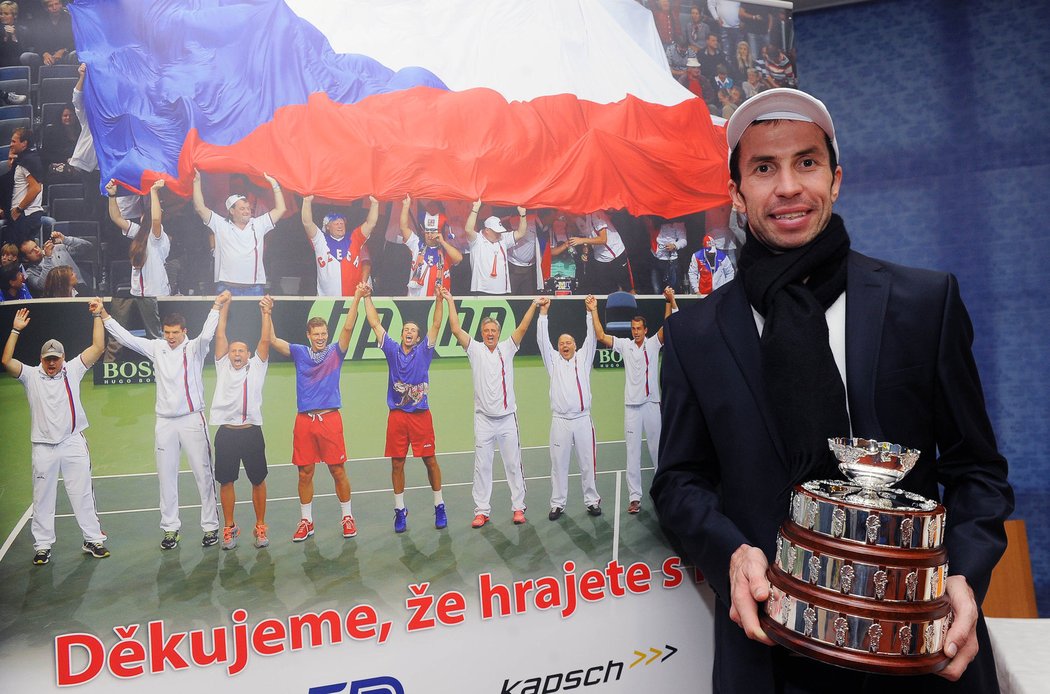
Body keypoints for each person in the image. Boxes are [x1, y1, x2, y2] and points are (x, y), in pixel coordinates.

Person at [650, 88, 1013, 692]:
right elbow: (679, 480)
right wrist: (731, 554)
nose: (788, 186)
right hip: (769, 649)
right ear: (736, 194)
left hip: (920, 641)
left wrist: (964, 577)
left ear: (836, 179)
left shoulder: (924, 304)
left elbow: (977, 469)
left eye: (806, 163)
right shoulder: (695, 334)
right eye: (763, 169)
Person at [100, 291, 231, 549]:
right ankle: (170, 529)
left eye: (175, 332)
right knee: (166, 476)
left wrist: (216, 305)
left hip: (192, 420)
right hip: (164, 423)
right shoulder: (156, 347)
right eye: (167, 332)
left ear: (184, 331)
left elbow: (207, 334)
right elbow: (125, 338)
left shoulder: (195, 348)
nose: (171, 337)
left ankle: (210, 527)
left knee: (203, 475)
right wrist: (104, 315)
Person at [3, 304, 109, 565]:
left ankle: (92, 539)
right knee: (43, 497)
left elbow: (97, 347)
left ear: (62, 358)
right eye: (48, 359)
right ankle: (42, 546)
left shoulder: (73, 369)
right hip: (43, 448)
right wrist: (16, 330)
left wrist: (97, 315)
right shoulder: (30, 376)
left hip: (72, 442)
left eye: (56, 359)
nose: (52, 363)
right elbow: (6, 361)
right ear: (42, 359)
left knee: (82, 493)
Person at [269, 287, 365, 542]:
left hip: (330, 420)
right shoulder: (300, 352)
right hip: (304, 422)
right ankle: (306, 521)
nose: (320, 338)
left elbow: (348, 328)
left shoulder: (336, 352)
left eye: (323, 334)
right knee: (304, 473)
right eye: (316, 334)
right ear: (308, 335)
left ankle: (347, 517)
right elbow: (272, 340)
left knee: (338, 471)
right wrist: (266, 313)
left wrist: (356, 297)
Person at [443, 287, 540, 527]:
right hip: (483, 420)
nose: (489, 334)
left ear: (499, 333)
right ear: (482, 333)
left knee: (512, 465)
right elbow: (455, 329)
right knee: (482, 466)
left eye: (493, 330)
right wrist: (450, 300)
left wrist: (534, 304)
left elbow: (523, 328)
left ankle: (518, 508)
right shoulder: (474, 350)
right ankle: (482, 511)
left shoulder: (508, 347)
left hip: (507, 420)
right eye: (486, 331)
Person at [363, 284, 447, 533]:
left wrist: (439, 300)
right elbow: (375, 323)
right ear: (402, 335)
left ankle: (439, 505)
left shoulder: (424, 351)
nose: (409, 332)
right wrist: (367, 296)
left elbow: (436, 324)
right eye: (406, 330)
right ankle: (400, 510)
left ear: (419, 338)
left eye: (413, 330)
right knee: (397, 464)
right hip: (398, 417)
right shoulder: (391, 350)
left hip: (421, 416)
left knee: (430, 461)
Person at [588, 288, 676, 513]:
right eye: (633, 329)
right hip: (632, 409)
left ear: (645, 330)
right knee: (633, 454)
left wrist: (669, 301)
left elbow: (668, 327)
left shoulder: (654, 344)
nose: (636, 332)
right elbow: (600, 336)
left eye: (639, 329)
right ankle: (635, 498)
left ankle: (661, 493)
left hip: (652, 406)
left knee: (658, 452)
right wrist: (594, 310)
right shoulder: (625, 345)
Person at [210, 296, 272, 549]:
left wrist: (266, 312)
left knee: (258, 480)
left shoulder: (257, 366)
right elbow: (220, 333)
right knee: (227, 481)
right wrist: (224, 306)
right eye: (233, 350)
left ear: (248, 354)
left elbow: (265, 340)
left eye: (241, 351)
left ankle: (260, 527)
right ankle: (229, 527)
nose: (236, 354)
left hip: (251, 434)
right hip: (226, 434)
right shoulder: (222, 365)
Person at [536, 296, 601, 520]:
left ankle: (592, 501)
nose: (565, 345)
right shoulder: (552, 360)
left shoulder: (584, 358)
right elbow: (542, 339)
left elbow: (592, 336)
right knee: (558, 465)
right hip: (560, 422)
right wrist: (543, 314)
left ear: (575, 345)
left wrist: (589, 311)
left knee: (587, 464)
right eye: (562, 343)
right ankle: (557, 504)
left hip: (583, 420)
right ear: (557, 347)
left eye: (569, 342)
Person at [192, 169, 287, 295]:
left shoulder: (258, 223)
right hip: (226, 288)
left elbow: (281, 209)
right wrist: (197, 182)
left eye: (248, 208)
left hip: (254, 288)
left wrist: (275, 185)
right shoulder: (221, 224)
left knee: (253, 316)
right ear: (232, 211)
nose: (247, 211)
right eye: (242, 208)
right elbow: (200, 208)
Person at [103, 178, 167, 360]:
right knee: (130, 334)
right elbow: (116, 218)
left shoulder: (158, 236)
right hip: (138, 291)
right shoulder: (138, 233)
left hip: (153, 293)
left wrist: (153, 192)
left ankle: (161, 366)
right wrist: (112, 195)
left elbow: (155, 218)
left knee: (155, 336)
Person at [301, 194, 378, 296]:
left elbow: (370, 224)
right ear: (327, 226)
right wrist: (306, 202)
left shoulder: (354, 238)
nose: (340, 226)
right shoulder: (320, 240)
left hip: (353, 300)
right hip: (326, 301)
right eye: (336, 223)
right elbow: (307, 223)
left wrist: (375, 204)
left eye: (342, 223)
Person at [398, 194, 463, 297]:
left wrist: (443, 242)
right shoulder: (416, 244)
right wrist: (406, 206)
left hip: (439, 300)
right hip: (416, 300)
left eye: (433, 231)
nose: (430, 234)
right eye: (427, 231)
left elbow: (459, 258)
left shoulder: (445, 249)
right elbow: (403, 228)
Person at [463, 201, 530, 296]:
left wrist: (522, 215)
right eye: (496, 232)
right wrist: (475, 209)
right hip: (481, 289)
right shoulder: (477, 240)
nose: (499, 234)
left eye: (500, 231)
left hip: (502, 290)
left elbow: (521, 233)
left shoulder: (503, 238)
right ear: (487, 231)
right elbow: (468, 229)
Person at [1, 127, 45, 247]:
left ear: (24, 143)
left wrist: (18, 209)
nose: (11, 144)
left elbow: (36, 188)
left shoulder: (28, 161)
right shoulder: (26, 159)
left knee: (13, 252)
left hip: (26, 215)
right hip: (23, 216)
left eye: (14, 141)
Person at [572, 210, 633, 294]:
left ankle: (633, 305)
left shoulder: (596, 214)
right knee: (607, 289)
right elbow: (586, 239)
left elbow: (603, 239)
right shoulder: (578, 220)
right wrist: (585, 252)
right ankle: (611, 306)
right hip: (600, 257)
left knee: (627, 287)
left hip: (615, 252)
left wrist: (581, 240)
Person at [647, 217, 687, 294]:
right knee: (656, 290)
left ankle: (673, 305)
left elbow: (684, 240)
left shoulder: (678, 222)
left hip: (671, 261)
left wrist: (674, 245)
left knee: (672, 290)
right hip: (655, 258)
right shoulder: (654, 220)